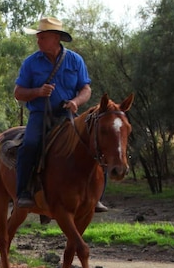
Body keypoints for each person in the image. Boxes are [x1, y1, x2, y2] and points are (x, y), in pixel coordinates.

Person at [13, 17, 108, 213]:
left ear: (56, 38)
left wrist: (75, 102)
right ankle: (22, 192)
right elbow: (18, 92)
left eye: (42, 37)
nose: (38, 41)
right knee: (30, 145)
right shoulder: (31, 63)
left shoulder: (75, 60)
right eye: (38, 37)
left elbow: (86, 89)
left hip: (68, 115)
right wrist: (38, 92)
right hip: (40, 115)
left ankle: (96, 195)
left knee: (98, 145)